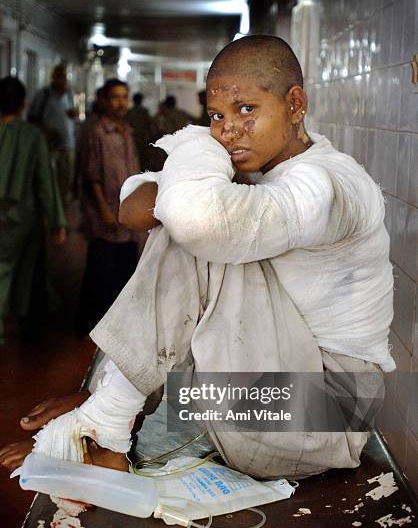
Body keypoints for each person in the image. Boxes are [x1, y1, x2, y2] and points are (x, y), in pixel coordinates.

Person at [0, 36, 394, 478]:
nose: (229, 130)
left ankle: (106, 423)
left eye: (247, 110)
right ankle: (107, 406)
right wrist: (188, 173)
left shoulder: (330, 184)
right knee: (194, 222)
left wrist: (195, 142)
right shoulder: (258, 176)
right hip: (279, 404)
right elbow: (131, 208)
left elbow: (193, 218)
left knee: (204, 231)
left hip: (324, 415)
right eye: (216, 116)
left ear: (296, 103)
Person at [0, 76, 67, 344]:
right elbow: (45, 182)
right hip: (19, 216)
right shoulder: (32, 136)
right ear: (23, 103)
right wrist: (56, 222)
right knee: (7, 269)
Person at [74, 78, 140, 339]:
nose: (120, 102)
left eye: (124, 96)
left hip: (125, 216)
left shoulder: (127, 131)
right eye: (115, 97)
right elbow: (91, 177)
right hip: (105, 215)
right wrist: (103, 210)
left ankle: (115, 330)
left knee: (123, 272)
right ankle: (88, 326)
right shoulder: (96, 132)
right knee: (99, 274)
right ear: (103, 99)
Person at [27, 64, 77, 206]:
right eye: (59, 76)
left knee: (64, 184)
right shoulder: (44, 95)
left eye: (64, 77)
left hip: (68, 146)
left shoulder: (69, 94)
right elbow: (31, 119)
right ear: (53, 77)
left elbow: (70, 114)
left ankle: (61, 218)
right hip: (49, 147)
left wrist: (72, 114)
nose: (62, 80)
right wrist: (46, 130)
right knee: (48, 183)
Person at [126, 92, 152, 170]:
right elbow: (149, 125)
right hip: (143, 138)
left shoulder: (129, 112)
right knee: (142, 159)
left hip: (132, 138)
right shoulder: (144, 112)